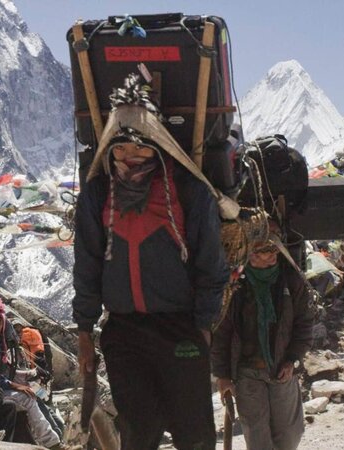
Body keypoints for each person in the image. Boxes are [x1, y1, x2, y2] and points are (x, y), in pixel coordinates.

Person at [72, 75, 229, 449]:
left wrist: (203, 325)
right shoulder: (98, 195)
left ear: (157, 146)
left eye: (140, 148)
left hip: (181, 328)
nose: (129, 157)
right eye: (121, 148)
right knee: (138, 433)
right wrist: (84, 330)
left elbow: (211, 264)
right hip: (123, 332)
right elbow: (87, 264)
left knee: (194, 435)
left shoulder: (189, 192)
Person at [211, 227, 314, 450]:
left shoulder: (291, 281)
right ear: (248, 255)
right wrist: (223, 375)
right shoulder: (234, 286)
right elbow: (221, 333)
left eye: (273, 254)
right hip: (247, 374)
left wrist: (293, 360)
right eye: (261, 255)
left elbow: (304, 326)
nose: (269, 260)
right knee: (258, 441)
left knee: (289, 437)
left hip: (282, 370)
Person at [0, 299, 61, 449]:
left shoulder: (1, 345)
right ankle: (52, 442)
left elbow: (8, 371)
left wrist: (33, 373)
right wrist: (18, 386)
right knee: (29, 399)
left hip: (9, 385)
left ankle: (52, 437)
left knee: (37, 395)